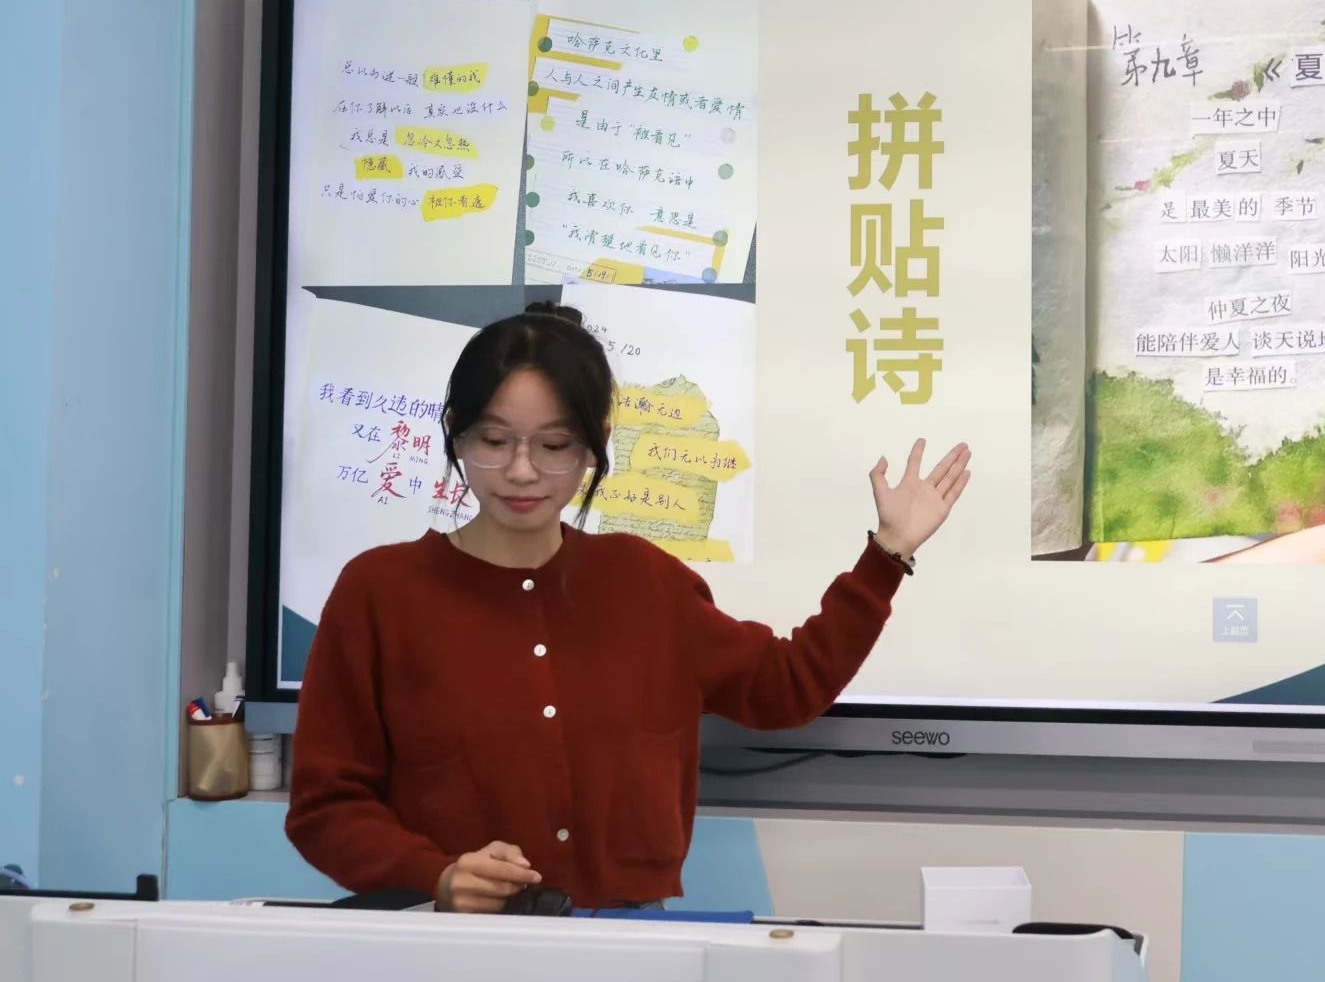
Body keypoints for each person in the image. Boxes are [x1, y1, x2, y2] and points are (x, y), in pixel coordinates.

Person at [286, 301, 971, 912]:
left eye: (555, 445)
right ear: (456, 435)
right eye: (494, 441)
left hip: (630, 944)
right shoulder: (381, 592)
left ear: (595, 445)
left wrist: (888, 556)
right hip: (454, 951)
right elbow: (325, 806)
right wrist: (433, 874)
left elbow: (787, 688)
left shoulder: (644, 582)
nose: (522, 470)